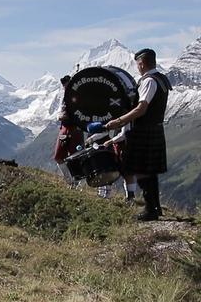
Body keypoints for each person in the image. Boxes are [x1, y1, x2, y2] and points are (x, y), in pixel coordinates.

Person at [98, 48, 171, 221]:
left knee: (142, 170)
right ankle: (155, 207)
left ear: (141, 63)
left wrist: (119, 121)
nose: (137, 68)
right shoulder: (161, 79)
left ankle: (150, 210)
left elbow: (141, 108)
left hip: (144, 130)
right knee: (149, 171)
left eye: (138, 64)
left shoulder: (149, 81)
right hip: (154, 128)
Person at [53, 75, 84, 186]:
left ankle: (75, 182)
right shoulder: (63, 97)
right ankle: (70, 181)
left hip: (75, 129)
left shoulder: (79, 97)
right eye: (64, 86)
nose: (65, 88)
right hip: (65, 128)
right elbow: (59, 114)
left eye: (67, 85)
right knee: (58, 156)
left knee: (75, 157)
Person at [104, 124, 137, 204]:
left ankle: (130, 197)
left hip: (125, 147)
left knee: (127, 173)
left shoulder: (127, 118)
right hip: (121, 147)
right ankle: (129, 196)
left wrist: (110, 141)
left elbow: (123, 134)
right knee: (125, 173)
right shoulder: (123, 115)